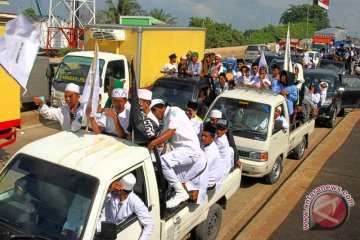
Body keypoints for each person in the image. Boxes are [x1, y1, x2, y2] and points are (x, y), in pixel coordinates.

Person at [147, 99, 208, 208]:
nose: (156, 117)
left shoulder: (174, 111)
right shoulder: (166, 119)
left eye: (155, 114)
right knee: (168, 175)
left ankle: (180, 193)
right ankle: (175, 195)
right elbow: (162, 136)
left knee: (162, 163)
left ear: (157, 109)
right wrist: (156, 142)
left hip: (189, 150)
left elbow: (171, 132)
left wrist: (152, 144)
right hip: (182, 151)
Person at [97, 174, 154, 240]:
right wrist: (109, 189)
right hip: (101, 225)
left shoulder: (135, 202)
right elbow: (99, 202)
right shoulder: (112, 193)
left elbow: (149, 224)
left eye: (116, 187)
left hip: (113, 231)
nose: (114, 188)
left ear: (120, 190)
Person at [201, 123, 222, 191]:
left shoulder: (210, 152)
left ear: (213, 138)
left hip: (208, 183)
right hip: (204, 177)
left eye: (205, 136)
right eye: (202, 135)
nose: (202, 138)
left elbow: (201, 170)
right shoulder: (207, 144)